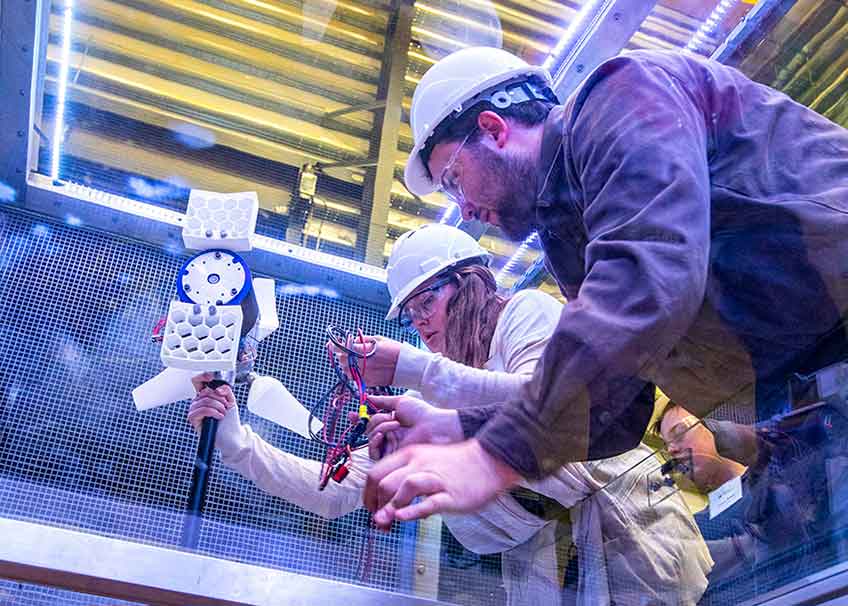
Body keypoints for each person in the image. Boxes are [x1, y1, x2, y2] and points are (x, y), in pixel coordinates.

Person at [363, 46, 848, 527]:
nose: (464, 209)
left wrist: (495, 455)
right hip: (810, 401)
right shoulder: (566, 235)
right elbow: (615, 411)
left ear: (494, 129)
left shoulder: (621, 95)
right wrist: (457, 428)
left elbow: (650, 272)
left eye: (454, 179)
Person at [189, 223, 711, 605]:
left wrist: (418, 370)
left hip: (629, 531)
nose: (419, 324)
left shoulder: (524, 315)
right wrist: (238, 443)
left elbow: (547, 404)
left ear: (470, 282)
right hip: (547, 564)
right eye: (410, 315)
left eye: (425, 305)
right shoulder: (435, 401)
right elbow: (337, 492)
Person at [655, 401, 830, 600]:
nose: (672, 450)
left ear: (719, 425)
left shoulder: (782, 477)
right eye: (666, 446)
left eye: (679, 433)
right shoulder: (695, 527)